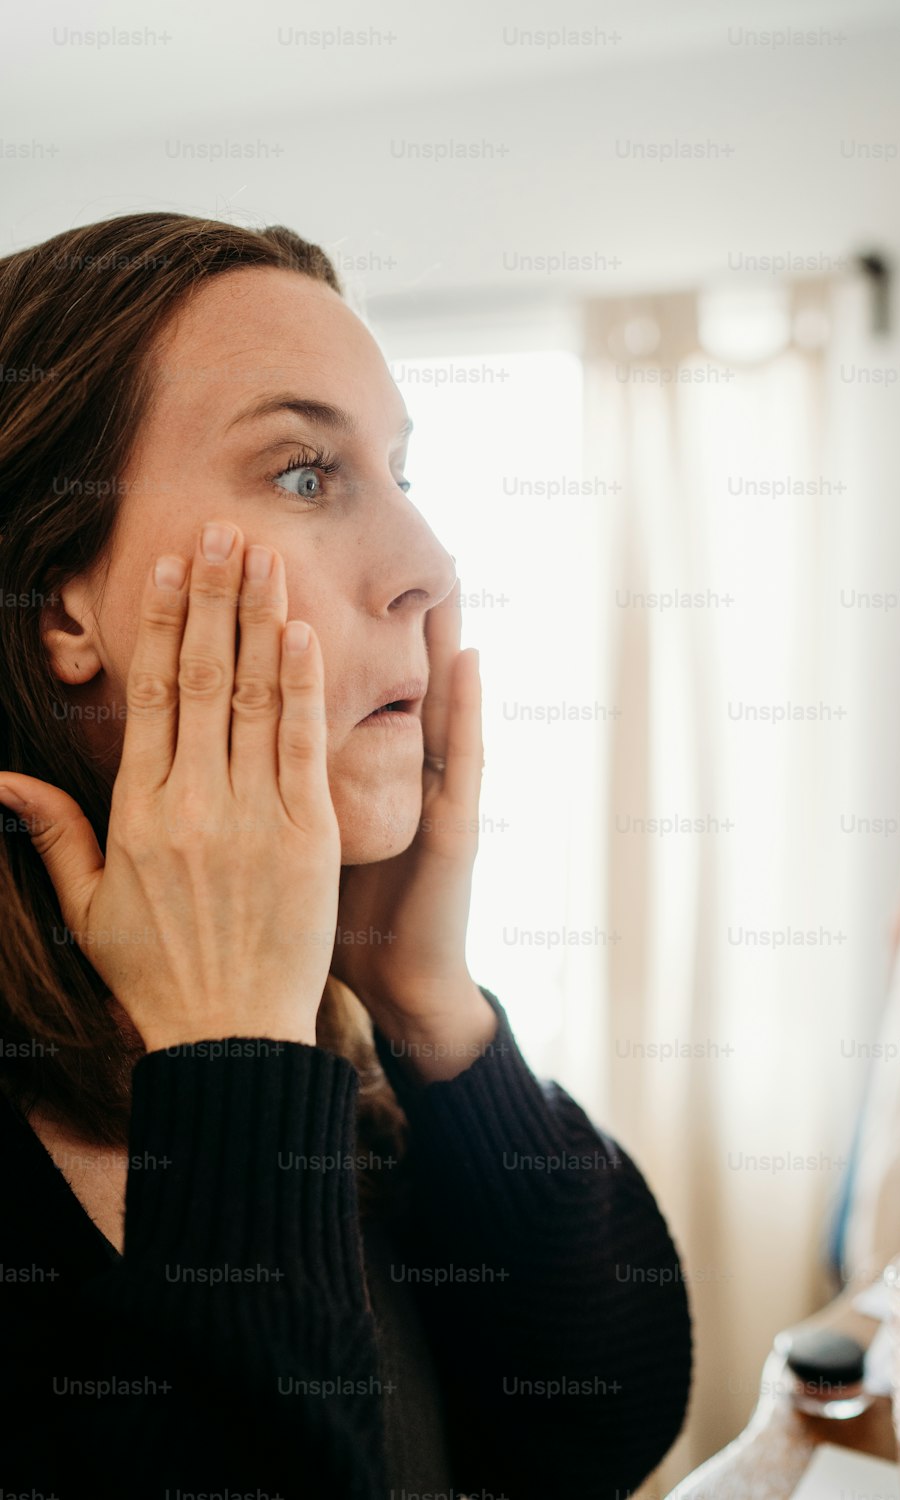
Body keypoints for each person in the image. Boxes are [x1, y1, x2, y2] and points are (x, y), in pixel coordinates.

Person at [0, 212, 692, 1499]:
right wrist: (230, 1062)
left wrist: (430, 1003)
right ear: (58, 603)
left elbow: (590, 1430)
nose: (429, 567)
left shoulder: (348, 1051)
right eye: (306, 473)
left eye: (403, 474)